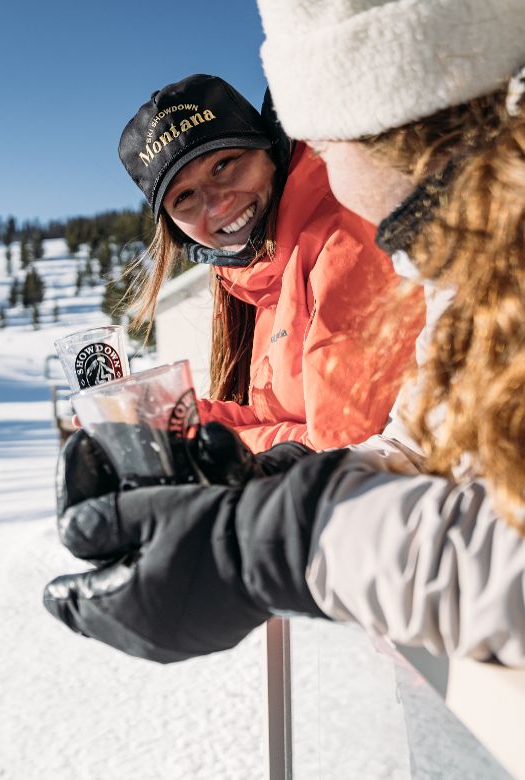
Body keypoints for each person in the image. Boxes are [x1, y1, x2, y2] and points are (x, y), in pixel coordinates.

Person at [44, 0, 525, 679]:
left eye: (320, 144)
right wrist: (240, 467)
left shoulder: (365, 241)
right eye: (184, 199)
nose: (325, 172)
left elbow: (359, 434)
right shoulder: (469, 264)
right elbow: (423, 442)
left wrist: (280, 536)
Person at [118, 73, 422, 452]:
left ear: (271, 151)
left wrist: (207, 446)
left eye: (223, 164)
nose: (216, 204)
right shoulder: (263, 282)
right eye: (185, 197)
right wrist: (166, 419)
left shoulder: (344, 242)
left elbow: (341, 451)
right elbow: (278, 424)